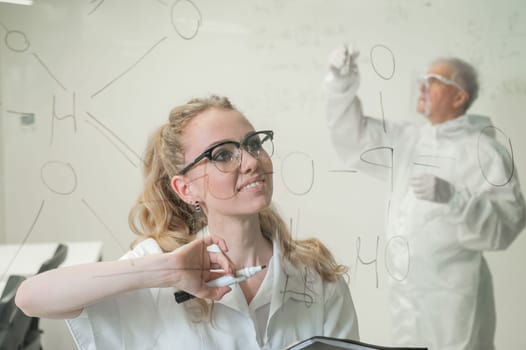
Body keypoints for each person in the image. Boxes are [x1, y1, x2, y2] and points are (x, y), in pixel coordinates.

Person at [16, 95, 359, 349]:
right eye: (223, 154)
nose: (251, 161)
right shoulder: (159, 267)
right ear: (185, 188)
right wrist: (163, 271)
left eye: (253, 144)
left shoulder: (316, 277)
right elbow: (31, 298)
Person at [324, 45, 526, 350]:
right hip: (407, 293)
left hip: (455, 296)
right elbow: (353, 138)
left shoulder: (483, 151)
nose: (423, 86)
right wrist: (340, 82)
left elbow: (507, 225)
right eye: (423, 78)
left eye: (434, 80)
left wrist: (456, 198)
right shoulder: (409, 140)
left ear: (459, 97)